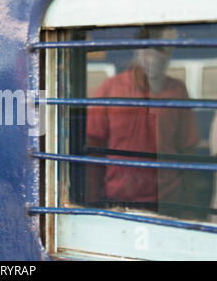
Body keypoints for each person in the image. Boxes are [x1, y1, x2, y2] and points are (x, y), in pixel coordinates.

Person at [86, 26, 200, 214]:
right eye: (151, 47)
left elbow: (188, 150)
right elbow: (94, 149)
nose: (155, 55)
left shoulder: (177, 91)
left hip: (167, 203)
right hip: (119, 203)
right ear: (139, 49)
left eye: (163, 49)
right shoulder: (110, 89)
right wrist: (92, 203)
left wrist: (190, 209)